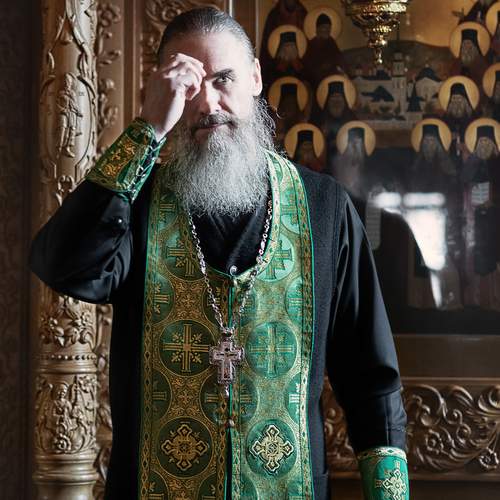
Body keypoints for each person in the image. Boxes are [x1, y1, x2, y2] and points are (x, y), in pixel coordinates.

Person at [30, 7, 408, 500]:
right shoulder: (137, 203)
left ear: (255, 78)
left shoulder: (324, 208)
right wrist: (147, 129)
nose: (208, 103)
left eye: (223, 79)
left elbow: (371, 379)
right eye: (188, 86)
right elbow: (63, 265)